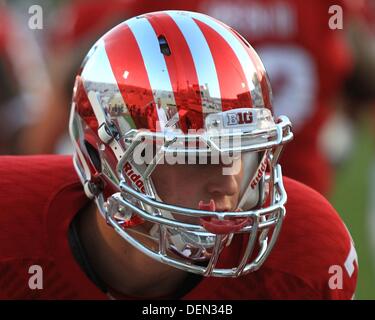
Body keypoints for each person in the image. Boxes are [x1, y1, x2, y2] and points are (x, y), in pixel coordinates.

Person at [0, 10, 357, 299]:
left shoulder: (304, 255)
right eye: (195, 155)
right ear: (101, 155)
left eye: (243, 151)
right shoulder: (12, 230)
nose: (229, 182)